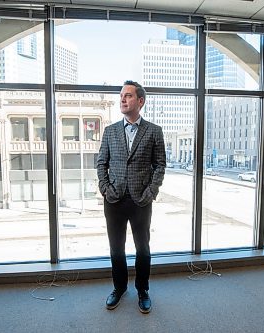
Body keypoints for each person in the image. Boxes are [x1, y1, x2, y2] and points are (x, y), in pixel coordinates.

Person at [96, 80, 166, 314]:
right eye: (121, 96)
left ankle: (143, 290)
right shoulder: (110, 131)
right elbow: (101, 163)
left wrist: (151, 192)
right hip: (114, 200)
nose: (122, 99)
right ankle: (119, 288)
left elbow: (160, 165)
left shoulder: (154, 131)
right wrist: (105, 188)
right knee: (116, 249)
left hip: (141, 201)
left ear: (140, 101)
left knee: (142, 249)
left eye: (128, 95)